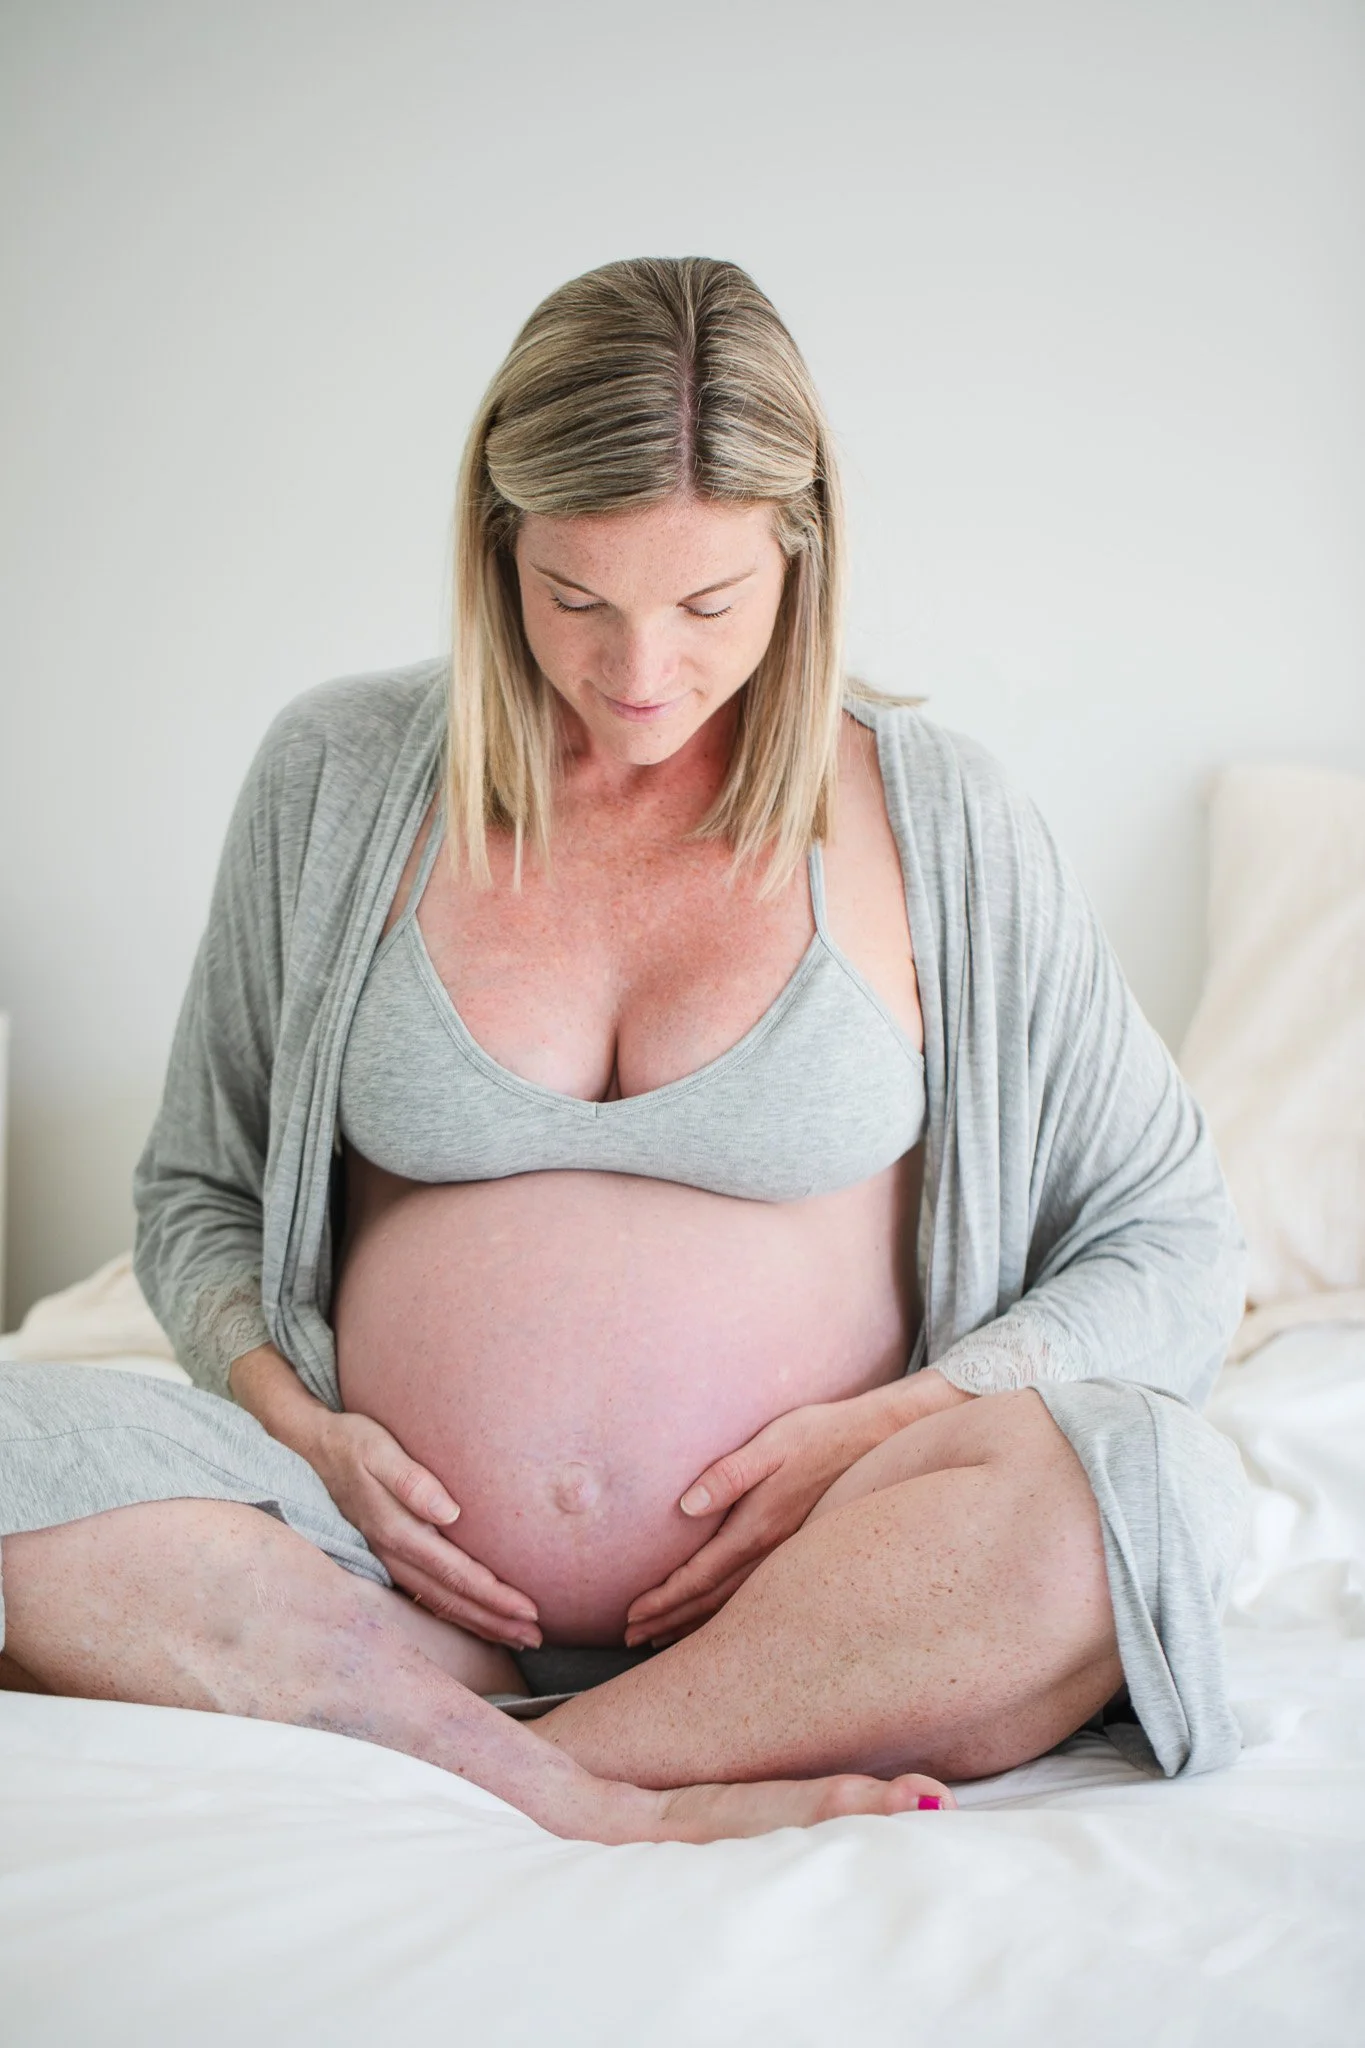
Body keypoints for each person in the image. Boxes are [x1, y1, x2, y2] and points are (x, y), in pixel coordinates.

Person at [0, 257, 1251, 1840]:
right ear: (495, 543)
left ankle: (507, 1752)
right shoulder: (334, 771)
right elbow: (197, 1190)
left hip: (814, 1587)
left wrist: (886, 1428)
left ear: (801, 557)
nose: (639, 674)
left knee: (1141, 1499)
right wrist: (296, 1418)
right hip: (384, 1576)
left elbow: (1175, 1249)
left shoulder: (942, 819)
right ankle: (587, 1778)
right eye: (574, 598)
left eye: (708, 606)